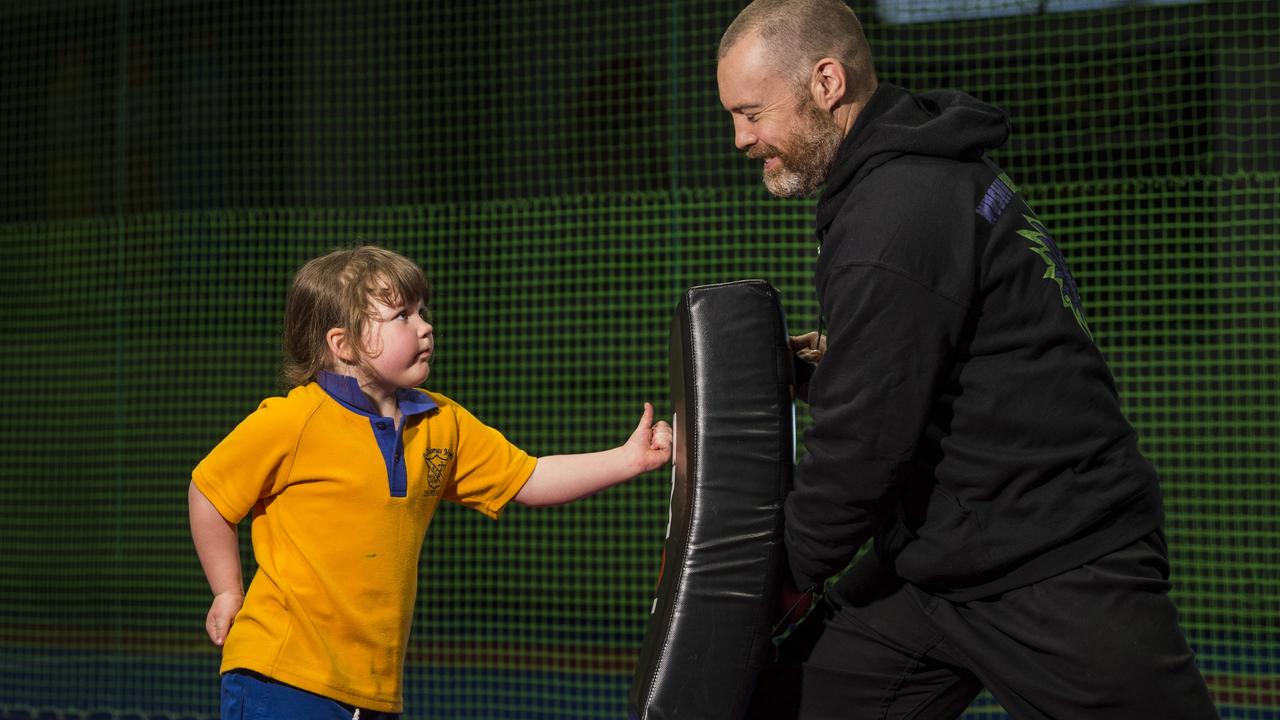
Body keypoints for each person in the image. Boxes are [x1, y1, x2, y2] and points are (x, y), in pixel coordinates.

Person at [715, 1, 1219, 717]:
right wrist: (826, 367)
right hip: (939, 565)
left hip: (1056, 564)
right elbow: (938, 362)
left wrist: (773, 580)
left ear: (826, 81)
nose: (740, 138)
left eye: (752, 112)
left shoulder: (895, 211)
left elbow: (861, 447)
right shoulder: (919, 178)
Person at [188, 245, 672, 719]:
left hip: (373, 687)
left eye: (423, 311)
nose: (425, 326)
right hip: (280, 672)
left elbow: (529, 477)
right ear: (343, 344)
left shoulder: (441, 420)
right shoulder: (293, 420)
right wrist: (228, 591)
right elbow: (209, 492)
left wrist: (626, 460)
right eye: (402, 316)